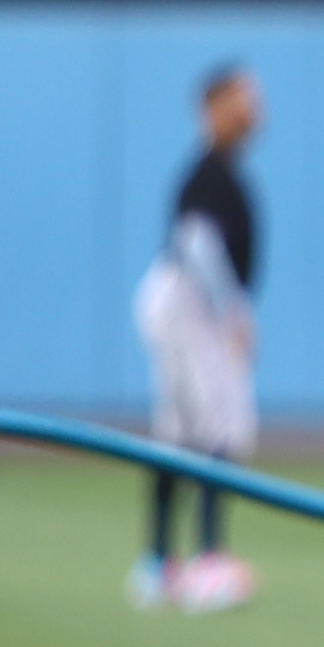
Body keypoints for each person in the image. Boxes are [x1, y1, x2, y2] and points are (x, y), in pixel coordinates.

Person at [130, 63, 263, 614]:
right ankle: (205, 561)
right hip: (189, 302)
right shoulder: (209, 172)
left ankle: (161, 564)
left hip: (183, 302)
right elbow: (197, 244)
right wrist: (233, 309)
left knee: (183, 430)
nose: (255, 109)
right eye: (243, 98)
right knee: (218, 424)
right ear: (213, 107)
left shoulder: (222, 170)